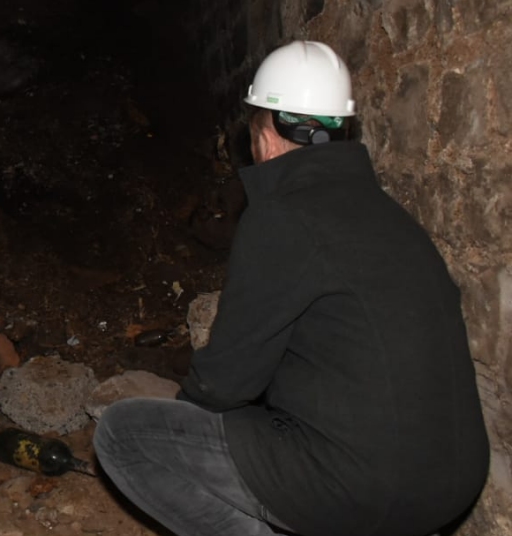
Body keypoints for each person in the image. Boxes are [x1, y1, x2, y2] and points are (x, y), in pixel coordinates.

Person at [94, 41, 489, 536]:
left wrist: (190, 433)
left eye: (254, 132)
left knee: (123, 435)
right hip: (451, 484)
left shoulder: (282, 217)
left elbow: (226, 382)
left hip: (367, 489)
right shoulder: (390, 216)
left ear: (270, 134)